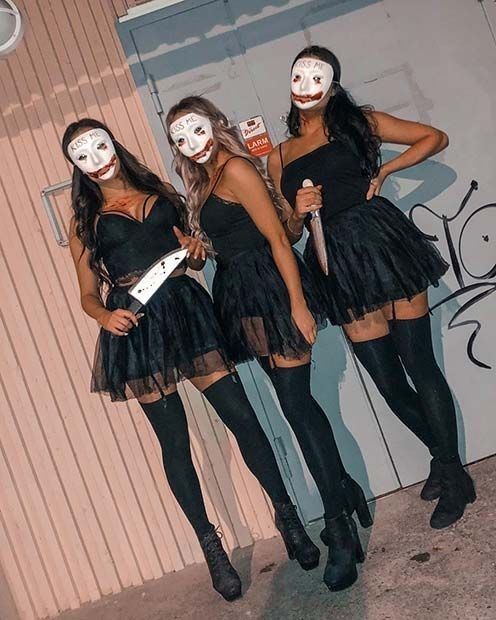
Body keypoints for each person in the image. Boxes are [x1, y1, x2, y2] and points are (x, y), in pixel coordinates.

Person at [63, 118, 319, 602]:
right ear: (75, 167)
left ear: (114, 144)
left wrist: (196, 254)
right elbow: (85, 295)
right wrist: (104, 316)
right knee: (175, 443)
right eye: (83, 154)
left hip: (187, 312)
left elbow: (194, 260)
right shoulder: (83, 222)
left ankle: (288, 518)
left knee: (242, 418)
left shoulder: (159, 189)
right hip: (136, 328)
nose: (97, 157)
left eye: (101, 145)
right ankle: (212, 548)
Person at [166, 97, 370, 592]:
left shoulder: (235, 168)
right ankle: (344, 489)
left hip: (274, 289)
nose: (190, 143)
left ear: (216, 124)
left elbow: (279, 239)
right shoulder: (204, 179)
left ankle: (339, 528)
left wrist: (299, 305)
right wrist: (196, 250)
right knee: (291, 404)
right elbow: (221, 247)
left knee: (298, 407)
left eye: (195, 130)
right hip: (240, 295)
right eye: (178, 138)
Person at [268, 45, 475, 531]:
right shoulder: (279, 156)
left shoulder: (359, 122)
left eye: (317, 76)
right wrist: (298, 211)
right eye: (299, 75)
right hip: (337, 264)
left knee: (419, 363)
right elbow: (290, 233)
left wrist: (386, 171)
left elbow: (434, 138)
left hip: (384, 245)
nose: (306, 84)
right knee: (387, 382)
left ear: (332, 85)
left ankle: (450, 471)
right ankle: (445, 458)